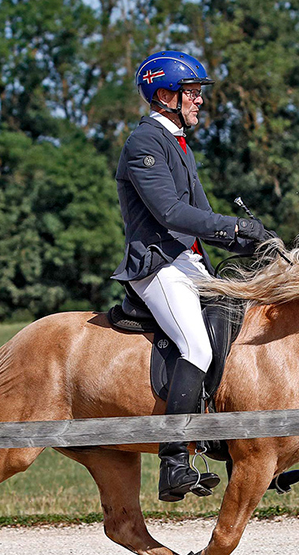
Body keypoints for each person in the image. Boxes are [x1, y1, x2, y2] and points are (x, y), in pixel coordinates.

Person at [112, 50, 276, 502]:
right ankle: (173, 462)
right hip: (158, 265)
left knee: (239, 330)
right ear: (165, 94)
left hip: (189, 262)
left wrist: (251, 240)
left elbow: (201, 214)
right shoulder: (144, 143)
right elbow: (169, 212)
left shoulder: (179, 143)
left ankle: (252, 445)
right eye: (192, 92)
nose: (199, 100)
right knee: (197, 346)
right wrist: (233, 226)